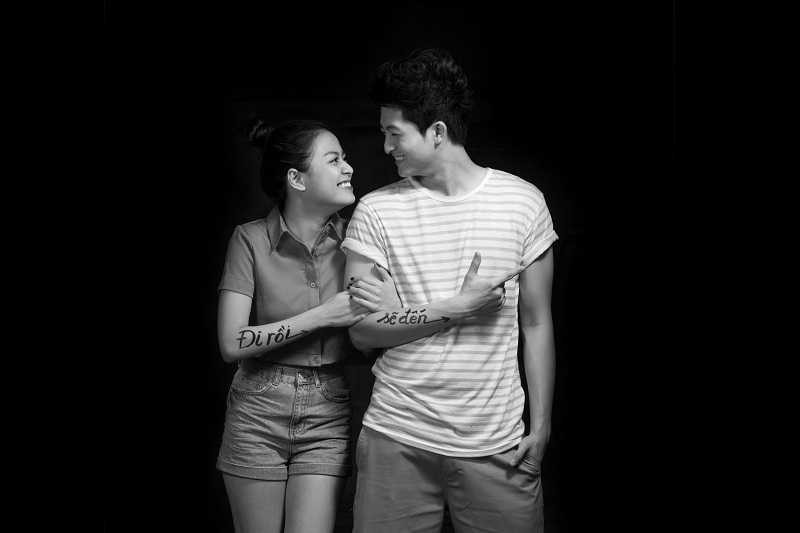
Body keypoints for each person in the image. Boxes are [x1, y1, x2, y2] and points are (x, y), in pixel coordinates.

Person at [342, 49, 558, 532]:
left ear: (437, 131)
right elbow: (363, 333)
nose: (385, 147)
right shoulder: (376, 212)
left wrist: (542, 426)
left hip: (497, 444)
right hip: (396, 436)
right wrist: (456, 308)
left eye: (394, 133)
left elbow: (537, 323)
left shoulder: (523, 203)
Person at [215, 119, 391, 533]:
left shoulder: (357, 243)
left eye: (345, 158)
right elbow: (231, 343)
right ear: (296, 179)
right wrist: (323, 315)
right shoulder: (249, 240)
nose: (348, 168)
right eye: (334, 160)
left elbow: (369, 344)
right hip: (257, 408)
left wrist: (384, 308)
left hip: (328, 408)